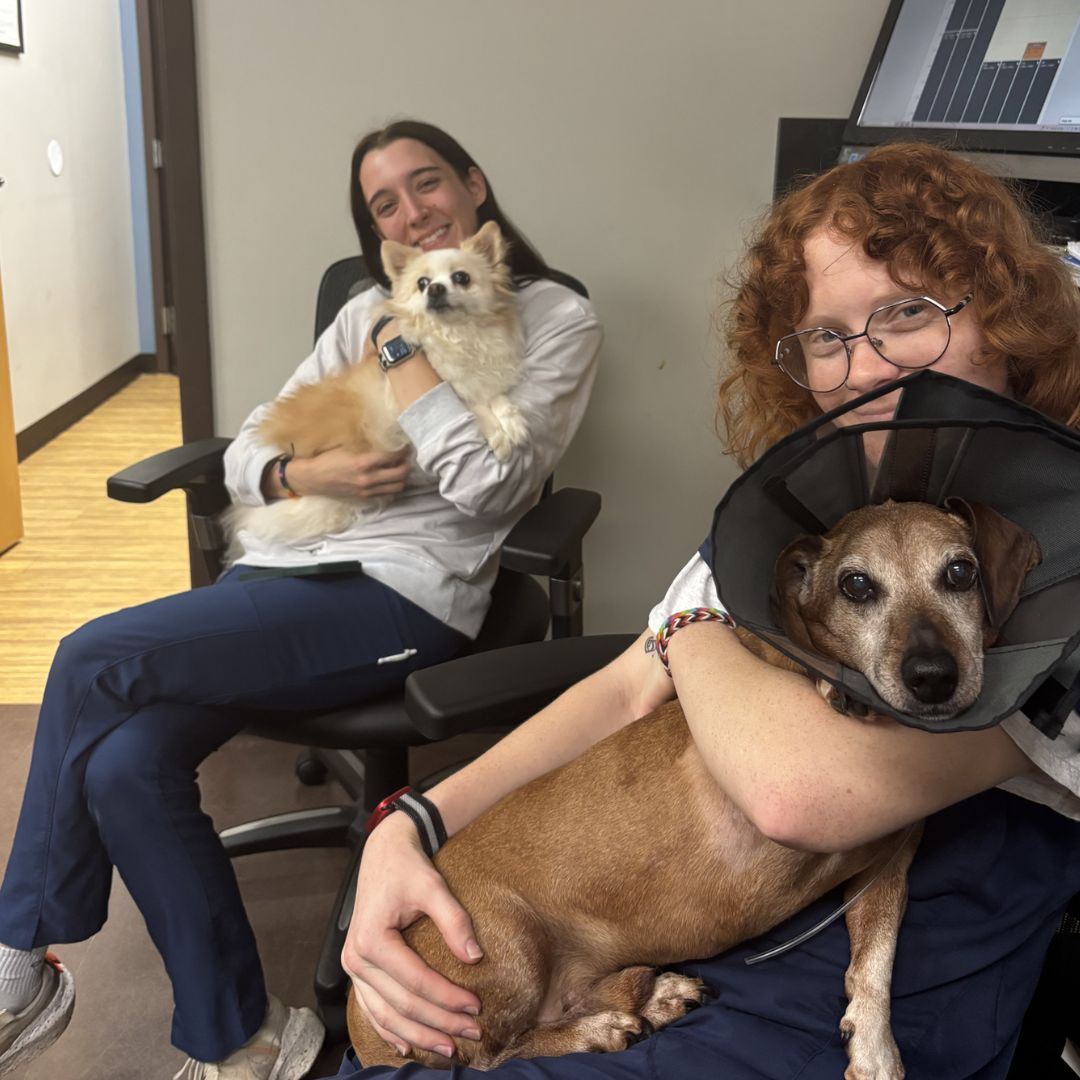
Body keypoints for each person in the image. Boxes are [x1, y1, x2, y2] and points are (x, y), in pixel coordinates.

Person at [334, 142, 1080, 1080]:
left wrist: (691, 636)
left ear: (1008, 316)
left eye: (906, 312)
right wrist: (412, 825)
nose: (867, 366)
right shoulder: (824, 513)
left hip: (848, 1003)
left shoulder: (1060, 543)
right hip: (678, 954)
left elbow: (794, 791)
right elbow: (623, 688)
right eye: (826, 335)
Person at [0, 119, 602, 1079]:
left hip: (400, 598)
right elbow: (244, 449)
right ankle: (251, 1039)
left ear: (474, 185)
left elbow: (494, 488)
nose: (412, 211)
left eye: (428, 182)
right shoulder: (362, 305)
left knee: (91, 655)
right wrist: (299, 473)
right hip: (282, 575)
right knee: (120, 764)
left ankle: (21, 956)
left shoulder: (554, 315)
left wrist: (407, 349)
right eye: (385, 205)